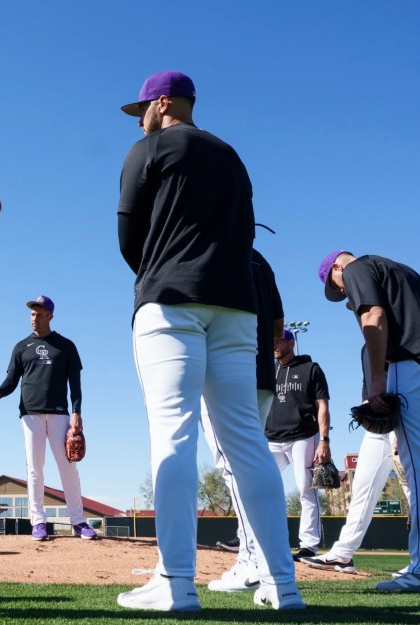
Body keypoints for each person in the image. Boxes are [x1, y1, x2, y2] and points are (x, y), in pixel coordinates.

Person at [115, 71, 302, 612]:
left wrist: (156, 273)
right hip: (238, 307)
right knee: (246, 441)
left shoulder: (147, 148)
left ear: (164, 102)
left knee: (173, 434)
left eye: (144, 107)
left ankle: (175, 582)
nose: (141, 116)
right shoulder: (231, 155)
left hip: (171, 300)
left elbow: (128, 235)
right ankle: (283, 584)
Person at [318, 250, 420, 593]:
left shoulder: (357, 268)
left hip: (413, 366)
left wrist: (377, 377)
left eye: (338, 285)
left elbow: (374, 315)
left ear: (337, 267)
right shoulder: (402, 270)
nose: (345, 291)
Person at [0, 296, 96, 541]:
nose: (35, 318)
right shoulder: (21, 347)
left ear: (50, 316)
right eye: (32, 313)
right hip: (30, 413)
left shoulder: (66, 346)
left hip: (60, 412)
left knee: (68, 466)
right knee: (35, 468)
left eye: (40, 314)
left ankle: (78, 521)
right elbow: (11, 380)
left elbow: (76, 384)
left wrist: (77, 413)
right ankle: (38, 522)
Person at [202, 247, 283, 594]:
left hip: (227, 373)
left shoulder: (209, 244)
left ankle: (253, 562)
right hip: (264, 373)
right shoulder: (260, 258)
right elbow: (279, 325)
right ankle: (269, 564)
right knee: (255, 461)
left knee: (234, 467)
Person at [302, 347, 411, 575]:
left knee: (414, 491)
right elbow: (370, 384)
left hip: (405, 419)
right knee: (362, 488)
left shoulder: (402, 334)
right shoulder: (367, 343)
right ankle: (343, 554)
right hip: (379, 425)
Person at [266, 329, 331, 561]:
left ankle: (309, 545)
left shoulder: (310, 368)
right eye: (272, 340)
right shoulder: (268, 369)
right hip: (272, 438)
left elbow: (322, 406)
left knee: (306, 489)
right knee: (256, 486)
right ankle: (250, 538)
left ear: (291, 343)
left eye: (278, 340)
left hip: (303, 436)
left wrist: (324, 441)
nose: (274, 344)